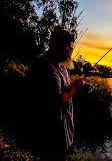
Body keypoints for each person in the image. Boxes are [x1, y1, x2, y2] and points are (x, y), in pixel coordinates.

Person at [28, 27, 87, 160]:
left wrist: (76, 85)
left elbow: (64, 87)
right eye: (69, 45)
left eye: (72, 45)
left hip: (61, 130)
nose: (72, 49)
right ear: (58, 45)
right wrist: (76, 86)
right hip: (49, 133)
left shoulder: (61, 65)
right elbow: (58, 99)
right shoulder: (45, 65)